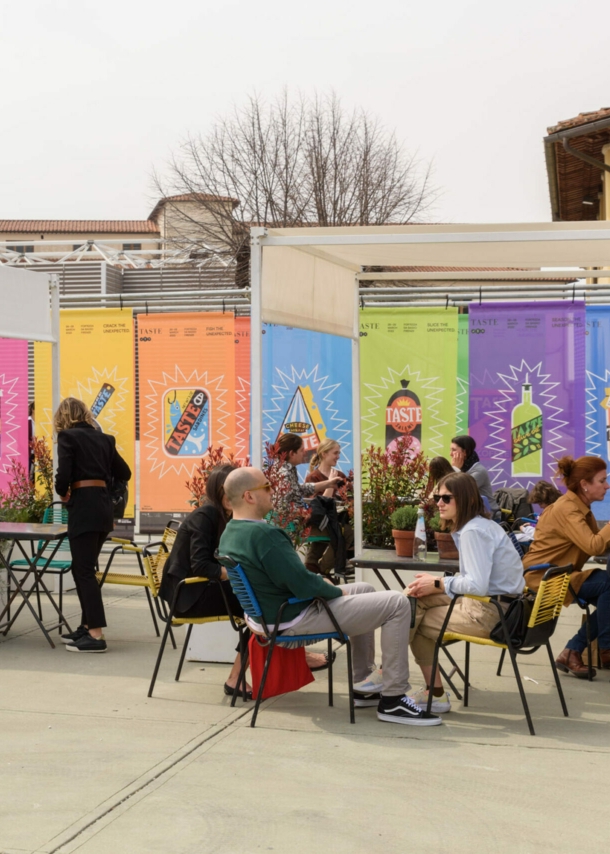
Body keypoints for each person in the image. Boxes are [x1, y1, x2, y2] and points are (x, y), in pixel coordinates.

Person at [218, 467, 442, 726]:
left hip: (269, 617)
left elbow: (295, 580)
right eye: (266, 487)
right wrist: (334, 589)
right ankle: (393, 699)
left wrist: (322, 585)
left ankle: (363, 685)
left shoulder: (230, 533)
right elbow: (303, 585)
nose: (273, 491)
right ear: (249, 496)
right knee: (397, 602)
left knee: (365, 590)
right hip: (292, 618)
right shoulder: (264, 535)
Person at [403, 472, 523, 713]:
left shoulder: (472, 532)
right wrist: (438, 583)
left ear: (466, 500)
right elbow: (478, 582)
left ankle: (424, 690)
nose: (438, 503)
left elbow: (476, 585)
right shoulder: (480, 526)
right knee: (413, 596)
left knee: (414, 621)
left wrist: (438, 583)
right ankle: (392, 671)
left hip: (490, 612)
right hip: (502, 606)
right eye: (438, 496)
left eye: (446, 498)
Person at [160, 465, 252, 698]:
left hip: (199, 588)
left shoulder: (223, 515)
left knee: (262, 605)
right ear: (217, 490)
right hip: (188, 597)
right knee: (262, 608)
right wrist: (235, 575)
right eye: (227, 490)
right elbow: (200, 564)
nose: (233, 496)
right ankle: (236, 679)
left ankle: (293, 658)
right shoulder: (206, 515)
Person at [54, 397, 131, 653]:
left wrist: (62, 491)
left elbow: (63, 474)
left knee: (83, 570)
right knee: (83, 569)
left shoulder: (67, 437)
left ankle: (96, 635)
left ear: (64, 416)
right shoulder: (105, 439)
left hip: (84, 509)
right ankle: (87, 627)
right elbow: (125, 472)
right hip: (102, 509)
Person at [523, 456, 610, 678]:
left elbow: (594, 543)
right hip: (545, 577)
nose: (607, 485)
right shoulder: (568, 509)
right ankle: (598, 650)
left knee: (608, 592)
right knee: (608, 586)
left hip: (562, 573)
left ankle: (576, 650)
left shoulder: (578, 506)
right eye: (602, 480)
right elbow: (593, 545)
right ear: (585, 485)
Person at [304, 438, 354, 576]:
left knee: (339, 530)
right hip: (319, 523)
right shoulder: (312, 478)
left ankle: (312, 566)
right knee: (345, 532)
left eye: (339, 453)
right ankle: (322, 569)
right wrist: (330, 484)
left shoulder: (340, 475)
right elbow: (319, 507)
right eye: (335, 453)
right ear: (324, 454)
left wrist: (349, 490)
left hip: (335, 520)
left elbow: (350, 499)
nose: (338, 456)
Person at [275, 433, 343, 516]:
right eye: (301, 450)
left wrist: (329, 484)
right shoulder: (284, 473)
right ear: (292, 453)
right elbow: (281, 506)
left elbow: (298, 489)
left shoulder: (289, 469)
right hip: (287, 524)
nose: (304, 453)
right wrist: (305, 513)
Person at [450, 435, 499, 515]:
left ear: (465, 452)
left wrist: (456, 469)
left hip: (487, 514)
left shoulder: (479, 471)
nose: (450, 454)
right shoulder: (462, 469)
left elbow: (459, 491)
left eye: (454, 450)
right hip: (471, 513)